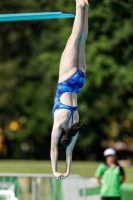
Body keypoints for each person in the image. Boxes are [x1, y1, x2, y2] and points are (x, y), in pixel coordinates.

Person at [50, 0, 89, 180]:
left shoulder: (74, 126)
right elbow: (54, 148)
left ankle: (85, 8)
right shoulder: (59, 121)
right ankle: (78, 4)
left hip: (78, 81)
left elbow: (69, 153)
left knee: (81, 41)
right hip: (65, 81)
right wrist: (55, 170)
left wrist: (67, 171)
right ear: (60, 137)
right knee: (73, 39)